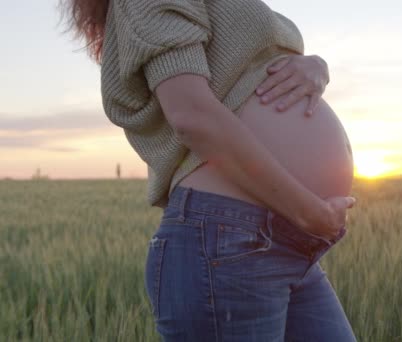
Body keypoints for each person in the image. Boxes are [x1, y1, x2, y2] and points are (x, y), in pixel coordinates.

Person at [60, 0, 357, 340]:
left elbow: (248, 66)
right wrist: (307, 210)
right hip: (227, 239)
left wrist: (315, 66)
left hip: (284, 240)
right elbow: (192, 117)